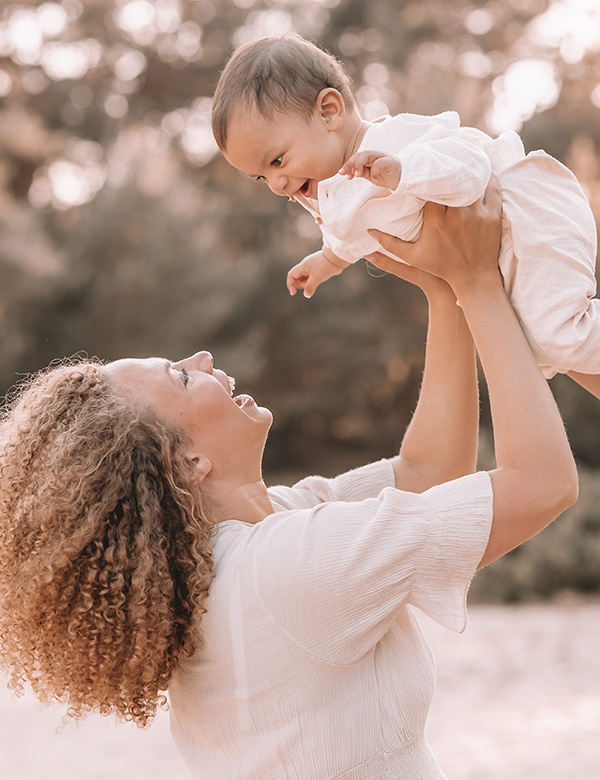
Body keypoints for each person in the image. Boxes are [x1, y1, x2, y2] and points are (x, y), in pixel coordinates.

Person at [0, 183, 577, 780]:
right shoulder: (286, 570)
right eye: (178, 376)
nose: (200, 359)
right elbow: (543, 484)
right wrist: (481, 281)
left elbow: (427, 474)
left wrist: (445, 290)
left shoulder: (255, 538)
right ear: (186, 464)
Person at [211, 32, 600, 399]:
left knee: (558, 337)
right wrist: (327, 261)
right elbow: (350, 235)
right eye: (263, 177)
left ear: (330, 112)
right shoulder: (333, 190)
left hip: (527, 213)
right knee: (540, 351)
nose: (277, 183)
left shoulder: (391, 144)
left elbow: (472, 167)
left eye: (278, 160)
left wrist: (404, 171)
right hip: (502, 255)